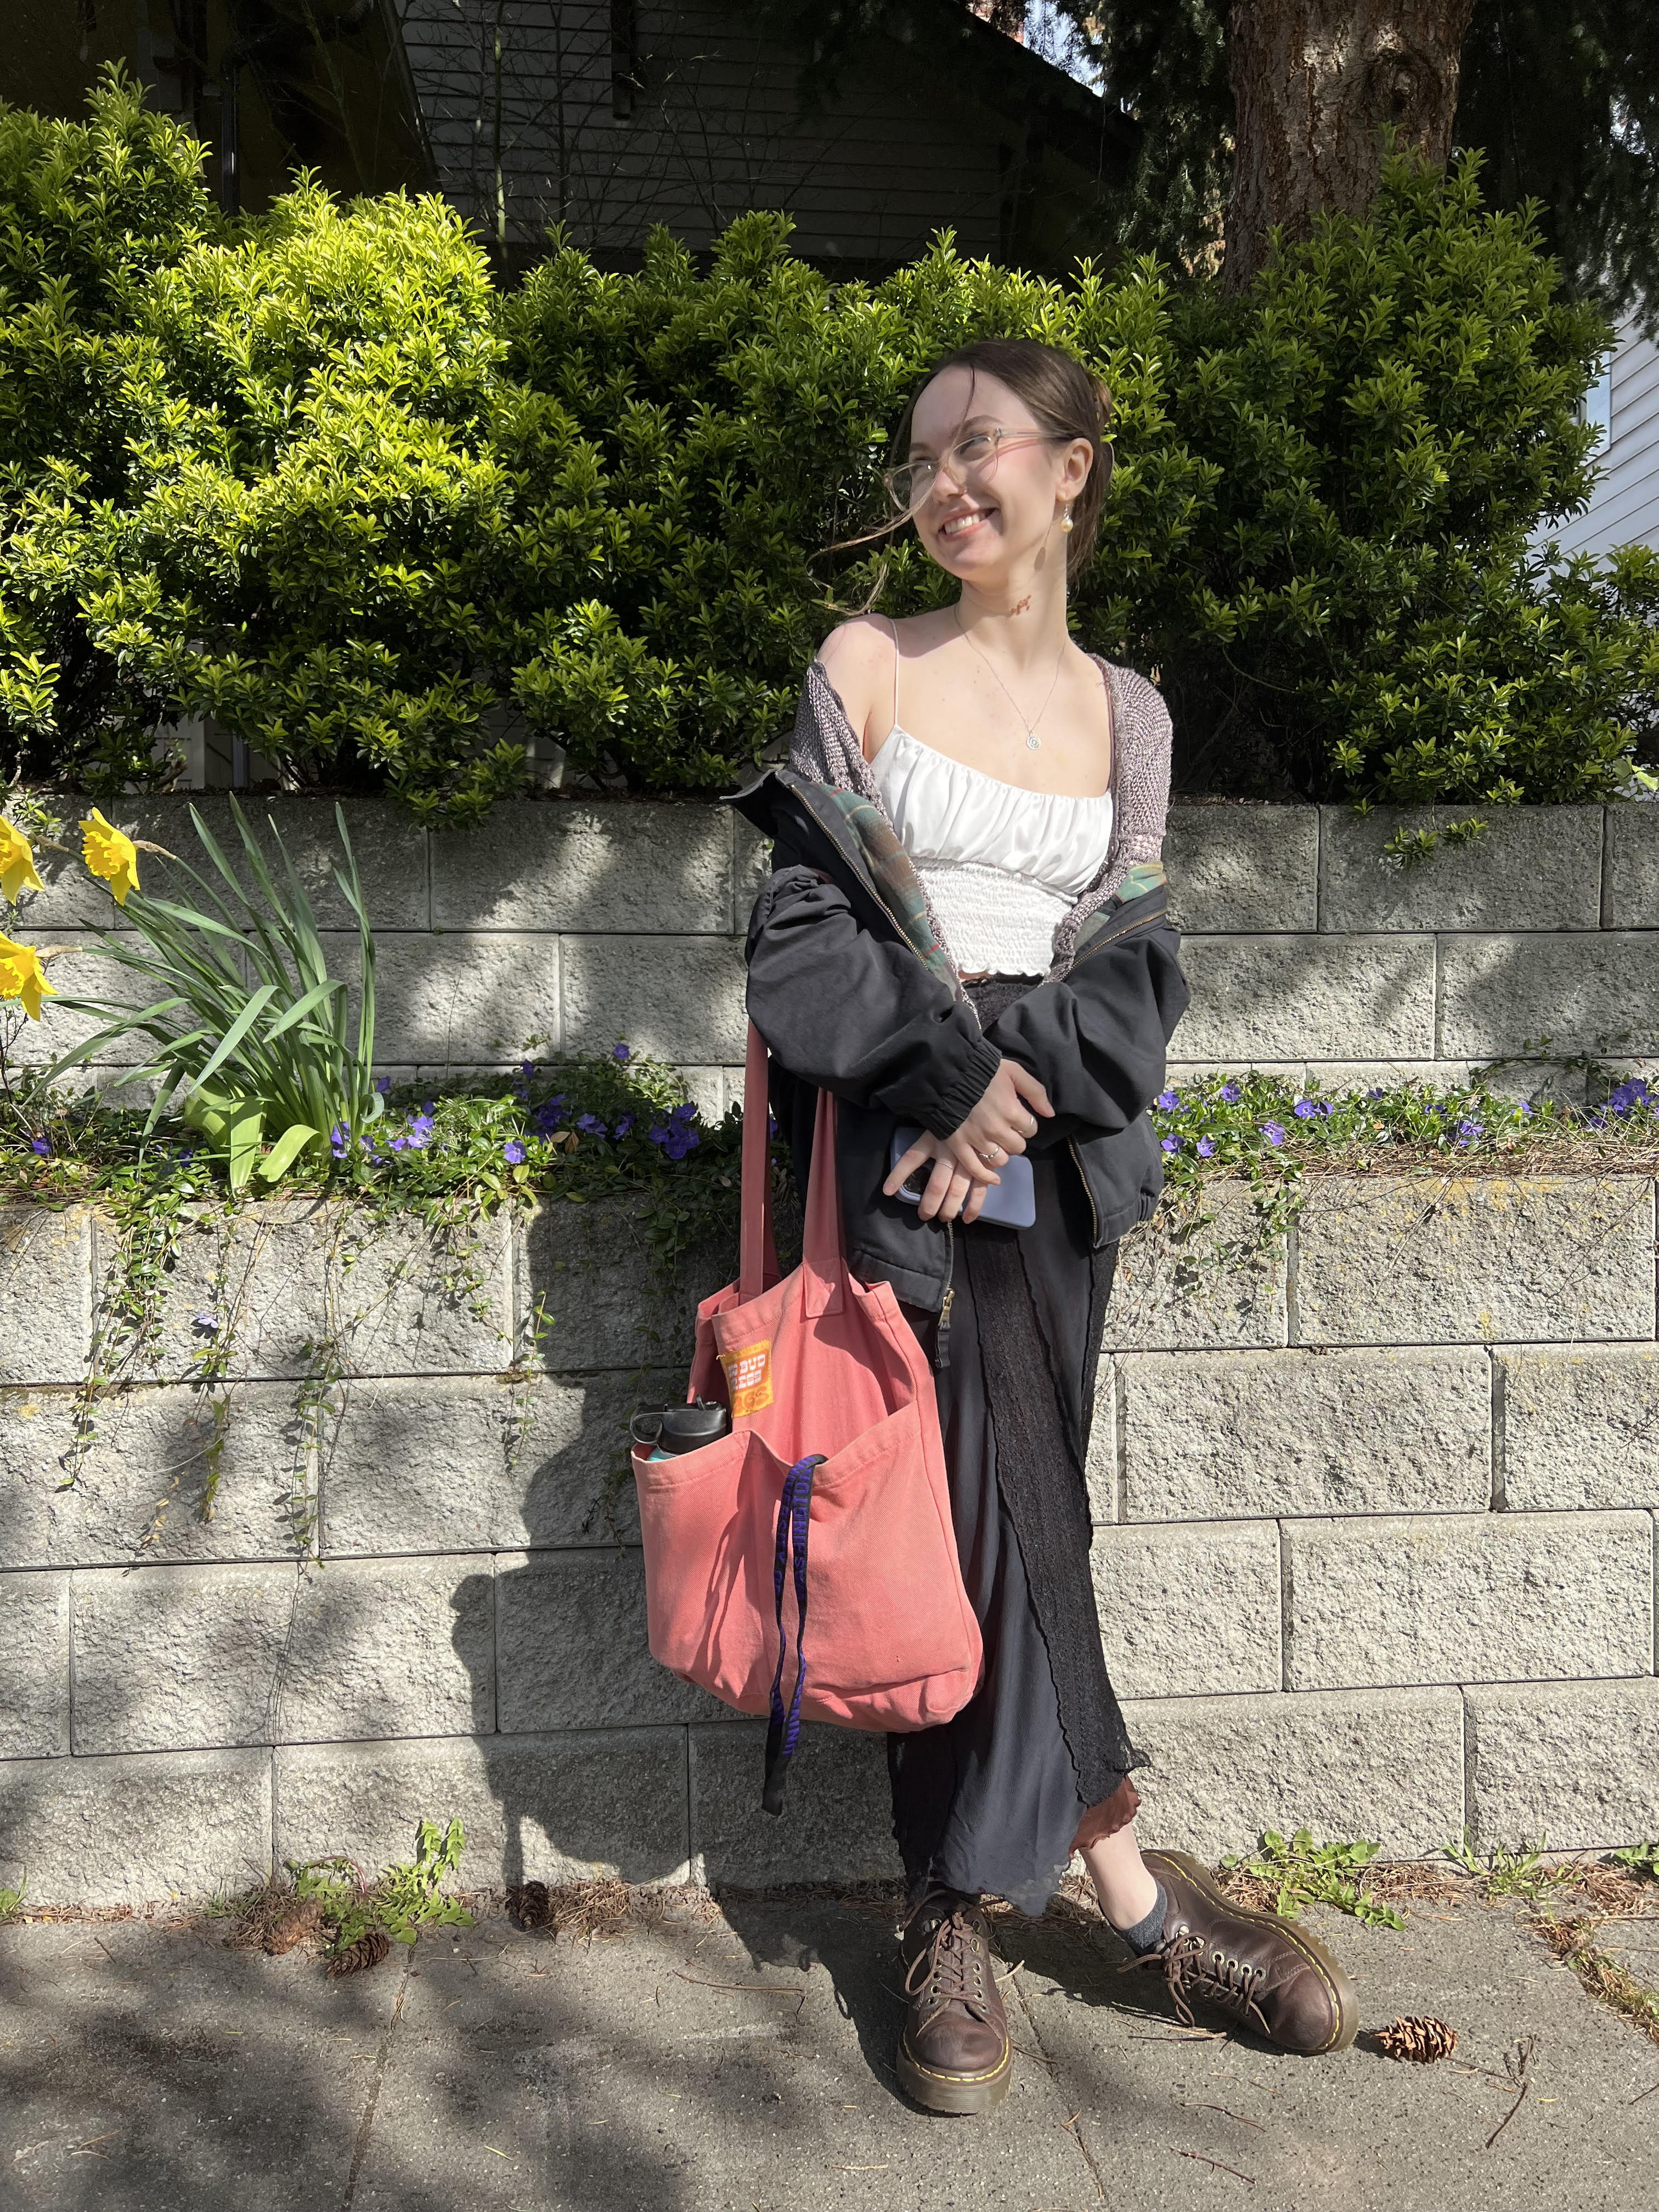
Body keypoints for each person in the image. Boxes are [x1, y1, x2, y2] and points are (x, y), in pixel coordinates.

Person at [733, 338, 1357, 2116]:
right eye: (920, 459)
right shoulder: (866, 667)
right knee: (988, 1511)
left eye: (978, 447)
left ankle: (964, 1911)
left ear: (1073, 469)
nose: (943, 486)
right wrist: (960, 1078)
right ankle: (1119, 1898)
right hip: (911, 1167)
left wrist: (1022, 1082)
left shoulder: (1132, 715)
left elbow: (1141, 962)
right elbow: (797, 940)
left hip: (1054, 1171)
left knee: (1007, 1517)